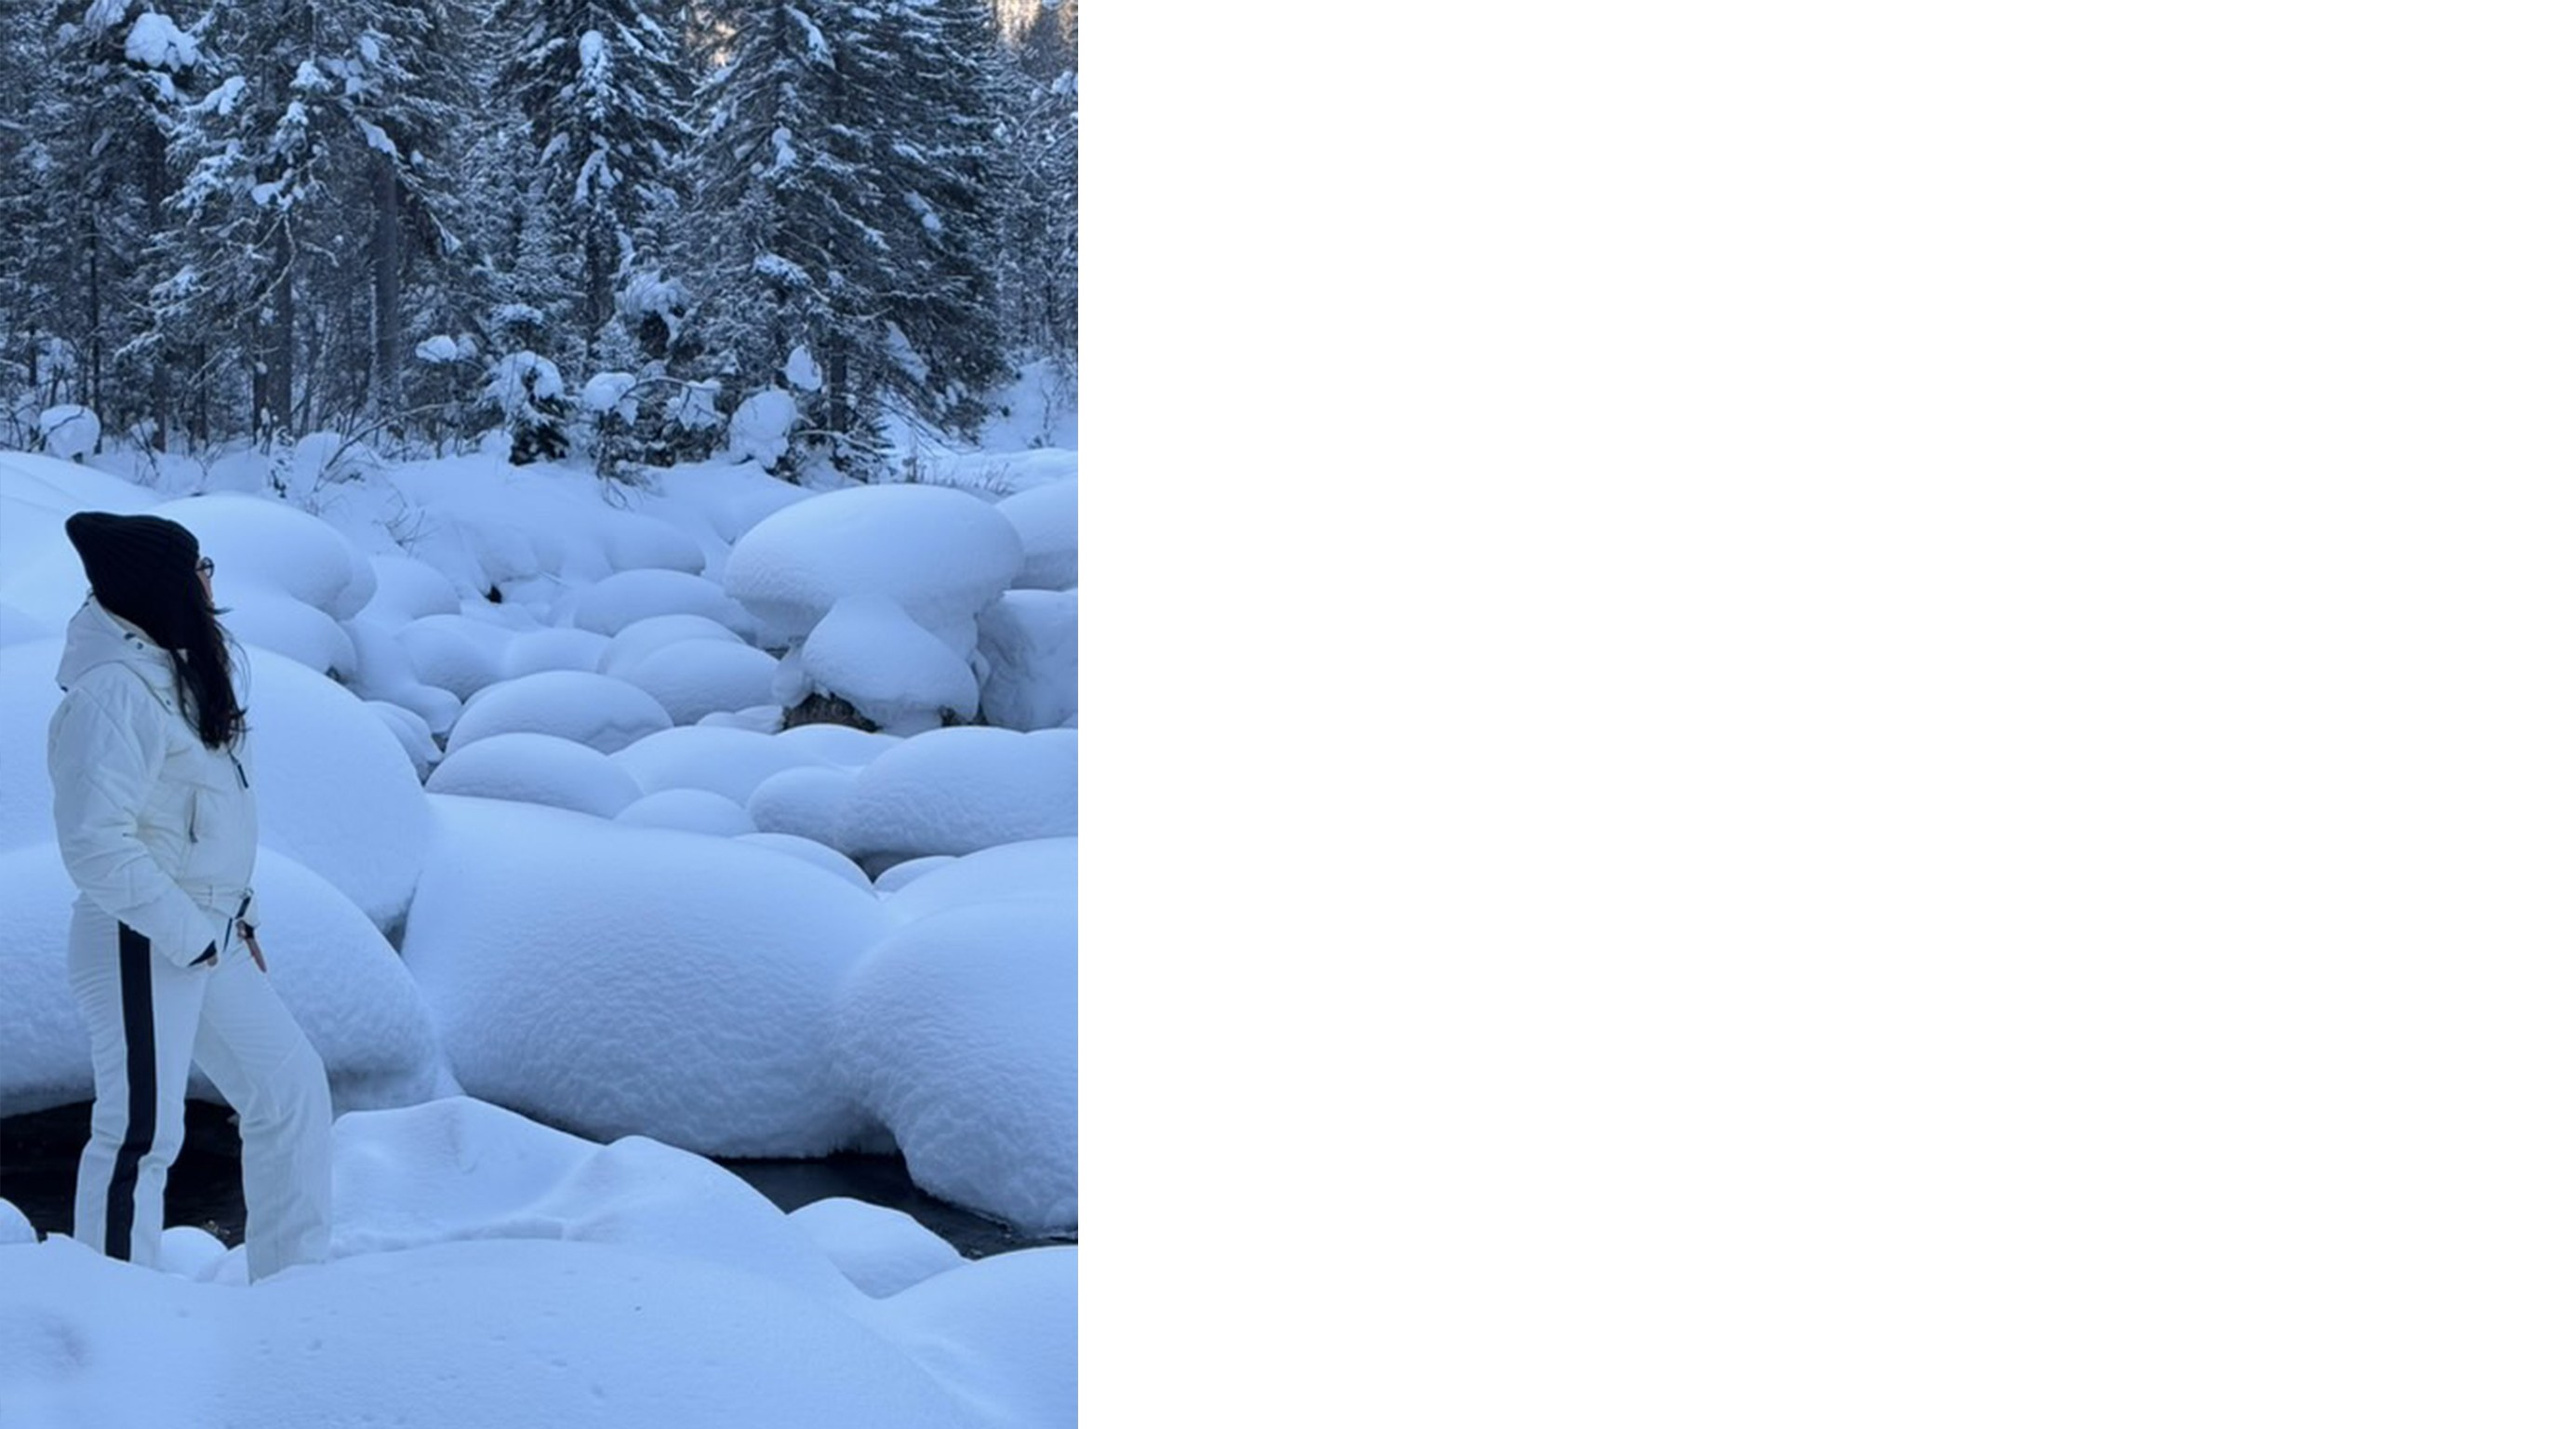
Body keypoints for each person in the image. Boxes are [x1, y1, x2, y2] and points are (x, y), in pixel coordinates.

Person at [46, 511, 333, 1281]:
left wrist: (236, 923)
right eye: (198, 564)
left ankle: (294, 1290)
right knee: (142, 1134)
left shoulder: (173, 671)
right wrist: (193, 934)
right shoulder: (113, 692)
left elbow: (207, 817)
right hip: (141, 935)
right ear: (158, 581)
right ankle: (110, 1328)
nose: (210, 578)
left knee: (291, 1090)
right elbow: (96, 844)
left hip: (209, 933)